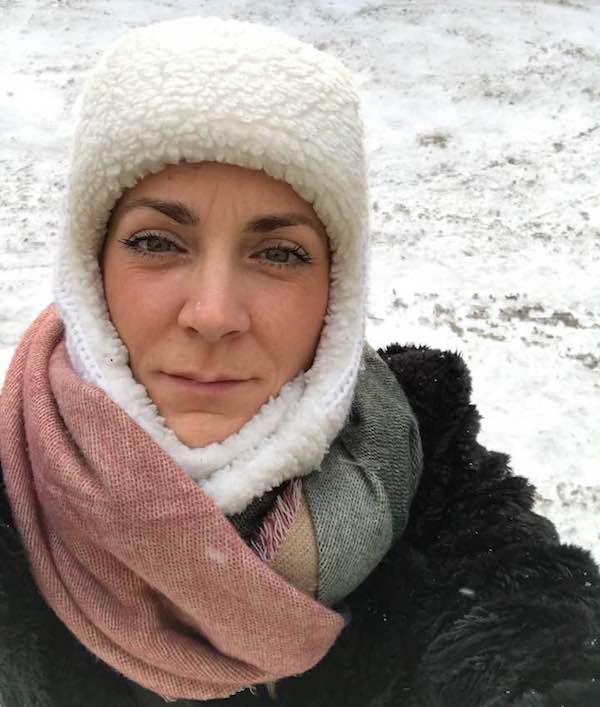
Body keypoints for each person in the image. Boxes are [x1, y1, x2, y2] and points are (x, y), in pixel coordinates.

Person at [0, 16, 598, 707]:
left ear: (337, 294)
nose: (214, 313)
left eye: (279, 253)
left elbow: (539, 627)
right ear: (90, 268)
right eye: (158, 242)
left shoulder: (433, 476)